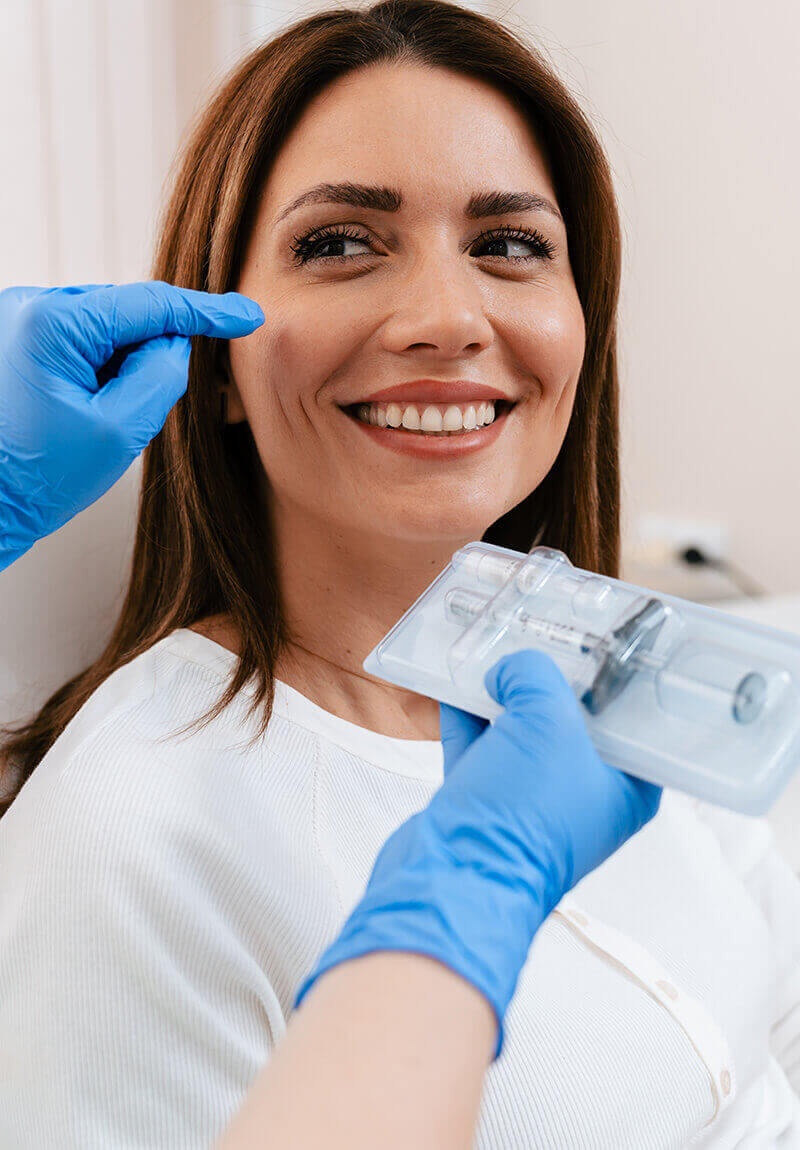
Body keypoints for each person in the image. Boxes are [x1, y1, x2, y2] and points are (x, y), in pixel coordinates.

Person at [1, 1, 798, 1147]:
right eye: (337, 243)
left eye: (509, 245)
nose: (444, 317)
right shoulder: (131, 832)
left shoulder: (627, 689)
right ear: (208, 360)